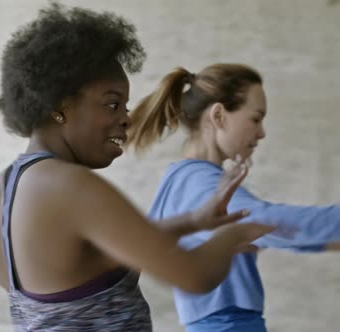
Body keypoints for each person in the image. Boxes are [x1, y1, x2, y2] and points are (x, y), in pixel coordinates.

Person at [0, 5, 273, 331]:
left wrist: (192, 221)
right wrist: (236, 234)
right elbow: (195, 275)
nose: (127, 118)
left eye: (125, 105)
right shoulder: (71, 185)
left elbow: (92, 260)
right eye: (112, 103)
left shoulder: (1, 190)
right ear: (60, 105)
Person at [126, 63, 340, 332]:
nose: (261, 132)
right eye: (256, 118)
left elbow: (271, 230)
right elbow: (264, 221)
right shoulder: (199, 182)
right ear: (218, 115)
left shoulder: (185, 179)